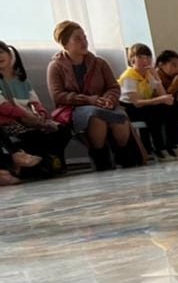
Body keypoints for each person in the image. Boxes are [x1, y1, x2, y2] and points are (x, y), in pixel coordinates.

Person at [46, 21, 135, 171]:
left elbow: (113, 87)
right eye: (78, 39)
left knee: (120, 117)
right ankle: (100, 157)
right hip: (75, 109)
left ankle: (124, 156)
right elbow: (58, 95)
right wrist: (88, 100)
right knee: (95, 116)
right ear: (65, 44)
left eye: (85, 37)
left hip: (103, 104)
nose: (84, 42)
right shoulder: (55, 66)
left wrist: (108, 99)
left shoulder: (99, 63)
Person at [0, 40, 70, 175]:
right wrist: (27, 116)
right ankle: (42, 165)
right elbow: (3, 107)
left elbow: (34, 101)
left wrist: (41, 114)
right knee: (34, 136)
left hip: (30, 119)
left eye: (1, 52)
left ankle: (55, 162)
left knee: (62, 130)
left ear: (10, 54)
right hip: (10, 123)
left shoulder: (21, 79)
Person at [118, 43, 178, 161]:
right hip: (129, 108)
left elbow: (163, 95)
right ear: (132, 60)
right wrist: (161, 100)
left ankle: (172, 145)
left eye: (148, 57)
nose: (146, 60)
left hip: (145, 105)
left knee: (171, 108)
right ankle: (159, 148)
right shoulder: (129, 76)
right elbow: (137, 102)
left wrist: (156, 77)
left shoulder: (149, 74)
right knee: (154, 112)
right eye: (141, 57)